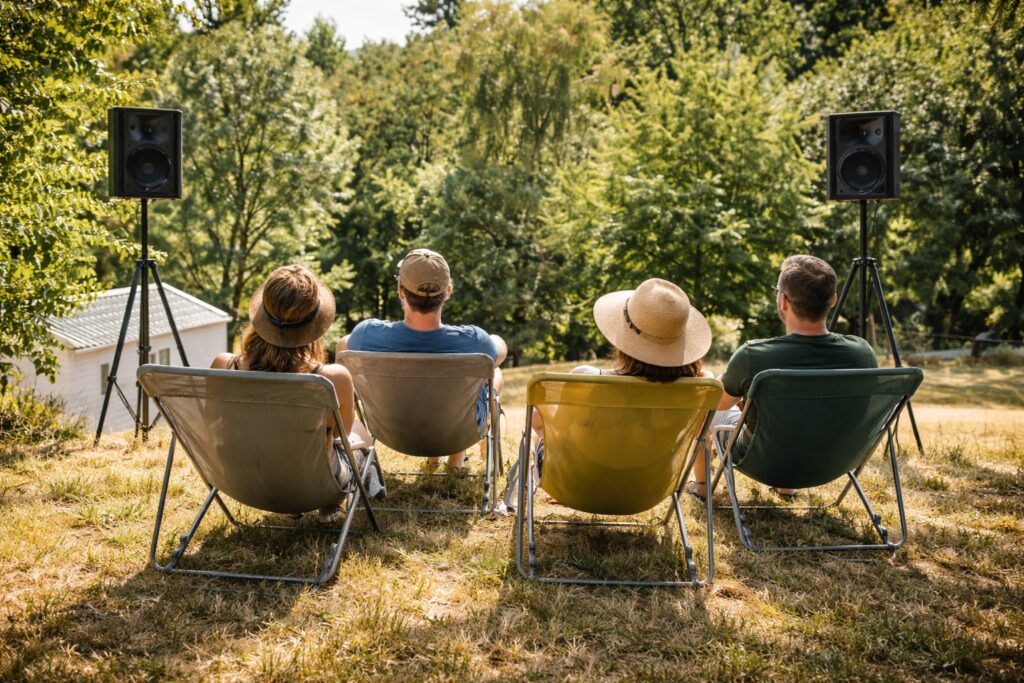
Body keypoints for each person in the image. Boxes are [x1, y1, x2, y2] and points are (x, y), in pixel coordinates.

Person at [502, 277, 713, 512]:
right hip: (648, 490)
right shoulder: (698, 390)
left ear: (623, 336)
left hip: (576, 485)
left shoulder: (584, 378)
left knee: (540, 431)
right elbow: (699, 437)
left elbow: (538, 424)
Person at [687, 254, 878, 500]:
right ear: (833, 299)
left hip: (764, 462)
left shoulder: (753, 356)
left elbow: (715, 406)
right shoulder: (862, 354)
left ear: (784, 301)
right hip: (835, 463)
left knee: (707, 411)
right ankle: (787, 486)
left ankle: (702, 486)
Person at [212, 264, 381, 523]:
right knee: (359, 432)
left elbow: (213, 424)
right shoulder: (330, 379)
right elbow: (340, 435)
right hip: (309, 485)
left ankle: (305, 506)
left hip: (243, 481)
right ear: (315, 322)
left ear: (263, 315)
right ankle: (330, 505)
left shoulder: (224, 366)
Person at [336, 248, 508, 470]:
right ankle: (457, 459)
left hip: (392, 433)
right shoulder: (477, 341)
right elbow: (500, 351)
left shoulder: (366, 334)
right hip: (457, 435)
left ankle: (444, 459)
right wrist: (492, 339)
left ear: (400, 292)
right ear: (448, 291)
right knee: (495, 373)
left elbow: (342, 346)